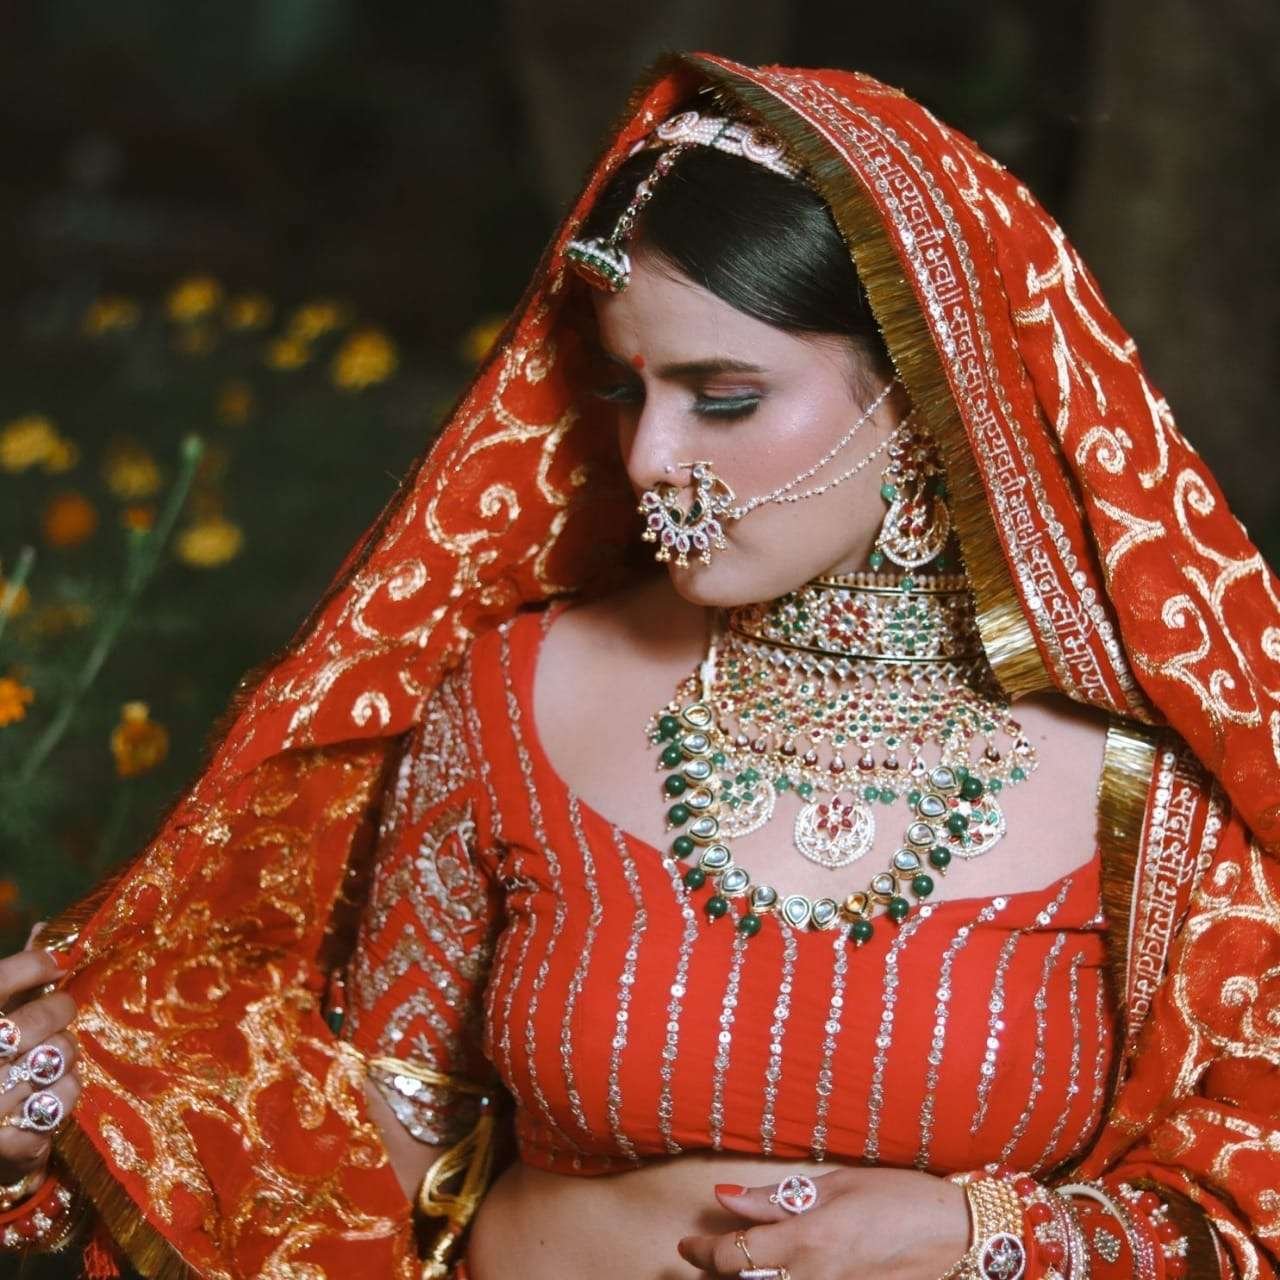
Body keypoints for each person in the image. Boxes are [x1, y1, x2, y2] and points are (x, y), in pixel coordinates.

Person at [1, 50, 1277, 1280]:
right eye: (627, 390)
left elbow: (1240, 1204)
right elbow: (362, 1161)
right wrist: (52, 1116)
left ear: (925, 395)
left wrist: (987, 1238)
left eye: (722, 396)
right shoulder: (517, 695)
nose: (651, 456)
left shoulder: (1153, 788)